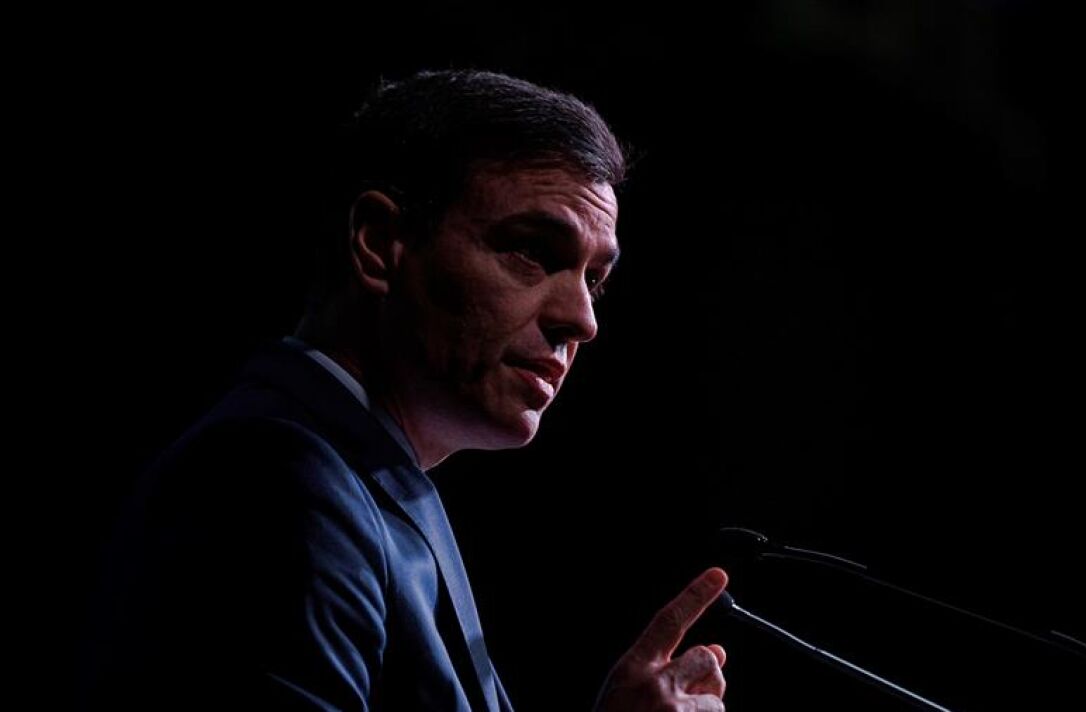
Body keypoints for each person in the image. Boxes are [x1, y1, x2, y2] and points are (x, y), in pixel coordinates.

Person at [81, 70, 729, 711]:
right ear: (379, 243)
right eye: (531, 251)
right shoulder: (276, 483)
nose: (582, 320)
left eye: (594, 280)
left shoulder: (363, 477)